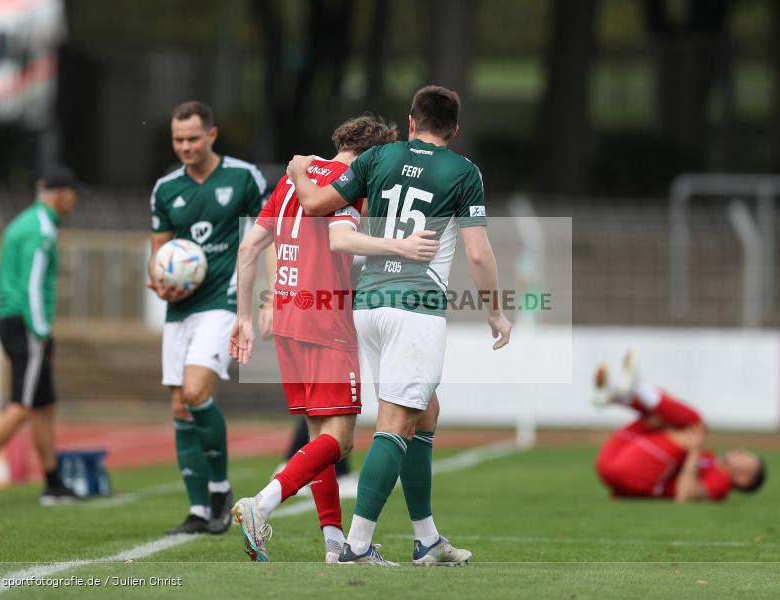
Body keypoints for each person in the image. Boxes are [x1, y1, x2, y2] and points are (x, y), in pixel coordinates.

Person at [285, 85, 512, 565]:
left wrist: (300, 169)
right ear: (454, 130)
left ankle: (427, 538)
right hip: (414, 305)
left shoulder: (379, 157)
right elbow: (477, 252)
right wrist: (494, 309)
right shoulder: (464, 171)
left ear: (410, 122)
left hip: (367, 303)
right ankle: (357, 547)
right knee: (395, 424)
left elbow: (314, 203)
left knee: (424, 413)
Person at [228, 114, 440, 562]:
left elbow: (250, 248)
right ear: (372, 155)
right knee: (340, 440)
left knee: (317, 436)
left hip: (286, 318)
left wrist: (246, 315)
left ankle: (333, 544)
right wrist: (402, 247)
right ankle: (260, 504)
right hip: (325, 320)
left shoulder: (291, 181)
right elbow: (343, 240)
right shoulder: (348, 185)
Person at [148, 101, 268, 535]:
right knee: (180, 406)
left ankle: (220, 489)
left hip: (223, 300)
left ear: (211, 136)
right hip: (179, 309)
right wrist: (160, 281)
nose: (185, 146)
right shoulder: (165, 189)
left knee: (197, 391)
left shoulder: (243, 177)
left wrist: (267, 300)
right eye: (178, 139)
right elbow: (158, 253)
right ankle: (200, 511)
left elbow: (265, 238)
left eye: (193, 138)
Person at [0, 166, 81, 509]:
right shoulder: (42, 229)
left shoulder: (22, 222)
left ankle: (53, 483)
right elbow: (32, 285)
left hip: (12, 318)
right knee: (23, 405)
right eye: (73, 194)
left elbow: (2, 276)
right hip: (26, 324)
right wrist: (41, 331)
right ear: (61, 193)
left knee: (43, 406)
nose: (74, 201)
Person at [593, 350, 766, 502]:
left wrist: (694, 451)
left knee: (695, 422)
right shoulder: (711, 460)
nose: (741, 451)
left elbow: (685, 495)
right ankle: (619, 395)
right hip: (613, 466)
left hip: (630, 473)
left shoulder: (722, 482)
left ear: (744, 479)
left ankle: (630, 391)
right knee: (664, 418)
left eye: (746, 457)